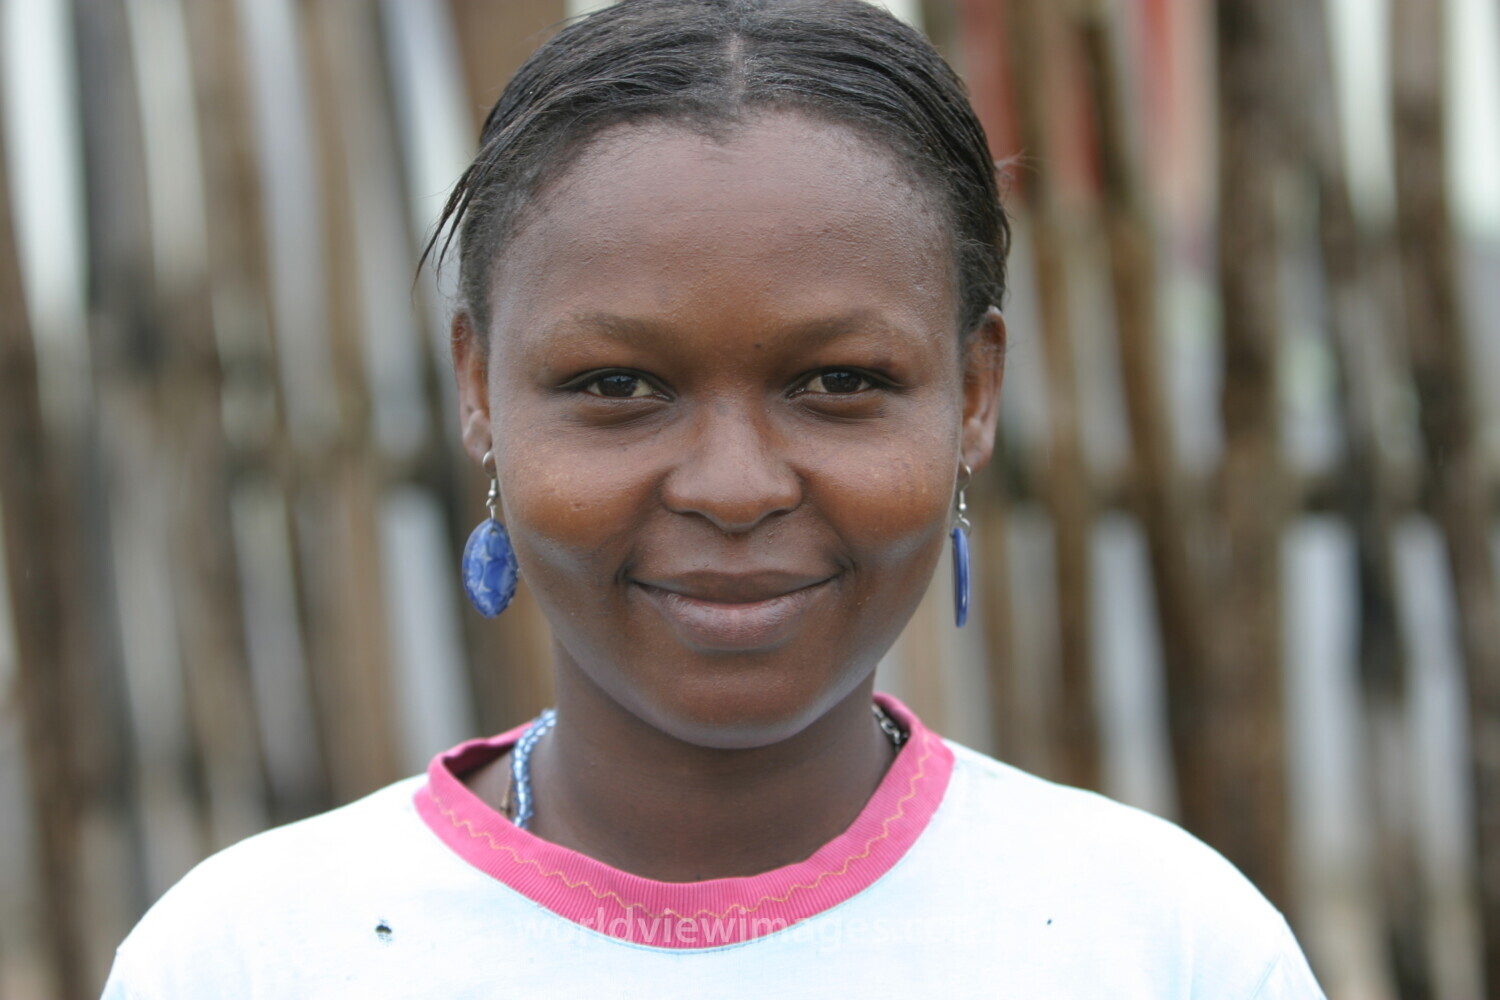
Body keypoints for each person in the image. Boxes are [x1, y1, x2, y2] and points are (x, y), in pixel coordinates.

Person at [102, 1, 1326, 996]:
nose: (734, 487)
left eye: (840, 381)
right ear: (480, 388)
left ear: (973, 393)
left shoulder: (1164, 948)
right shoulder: (246, 958)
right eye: (617, 384)